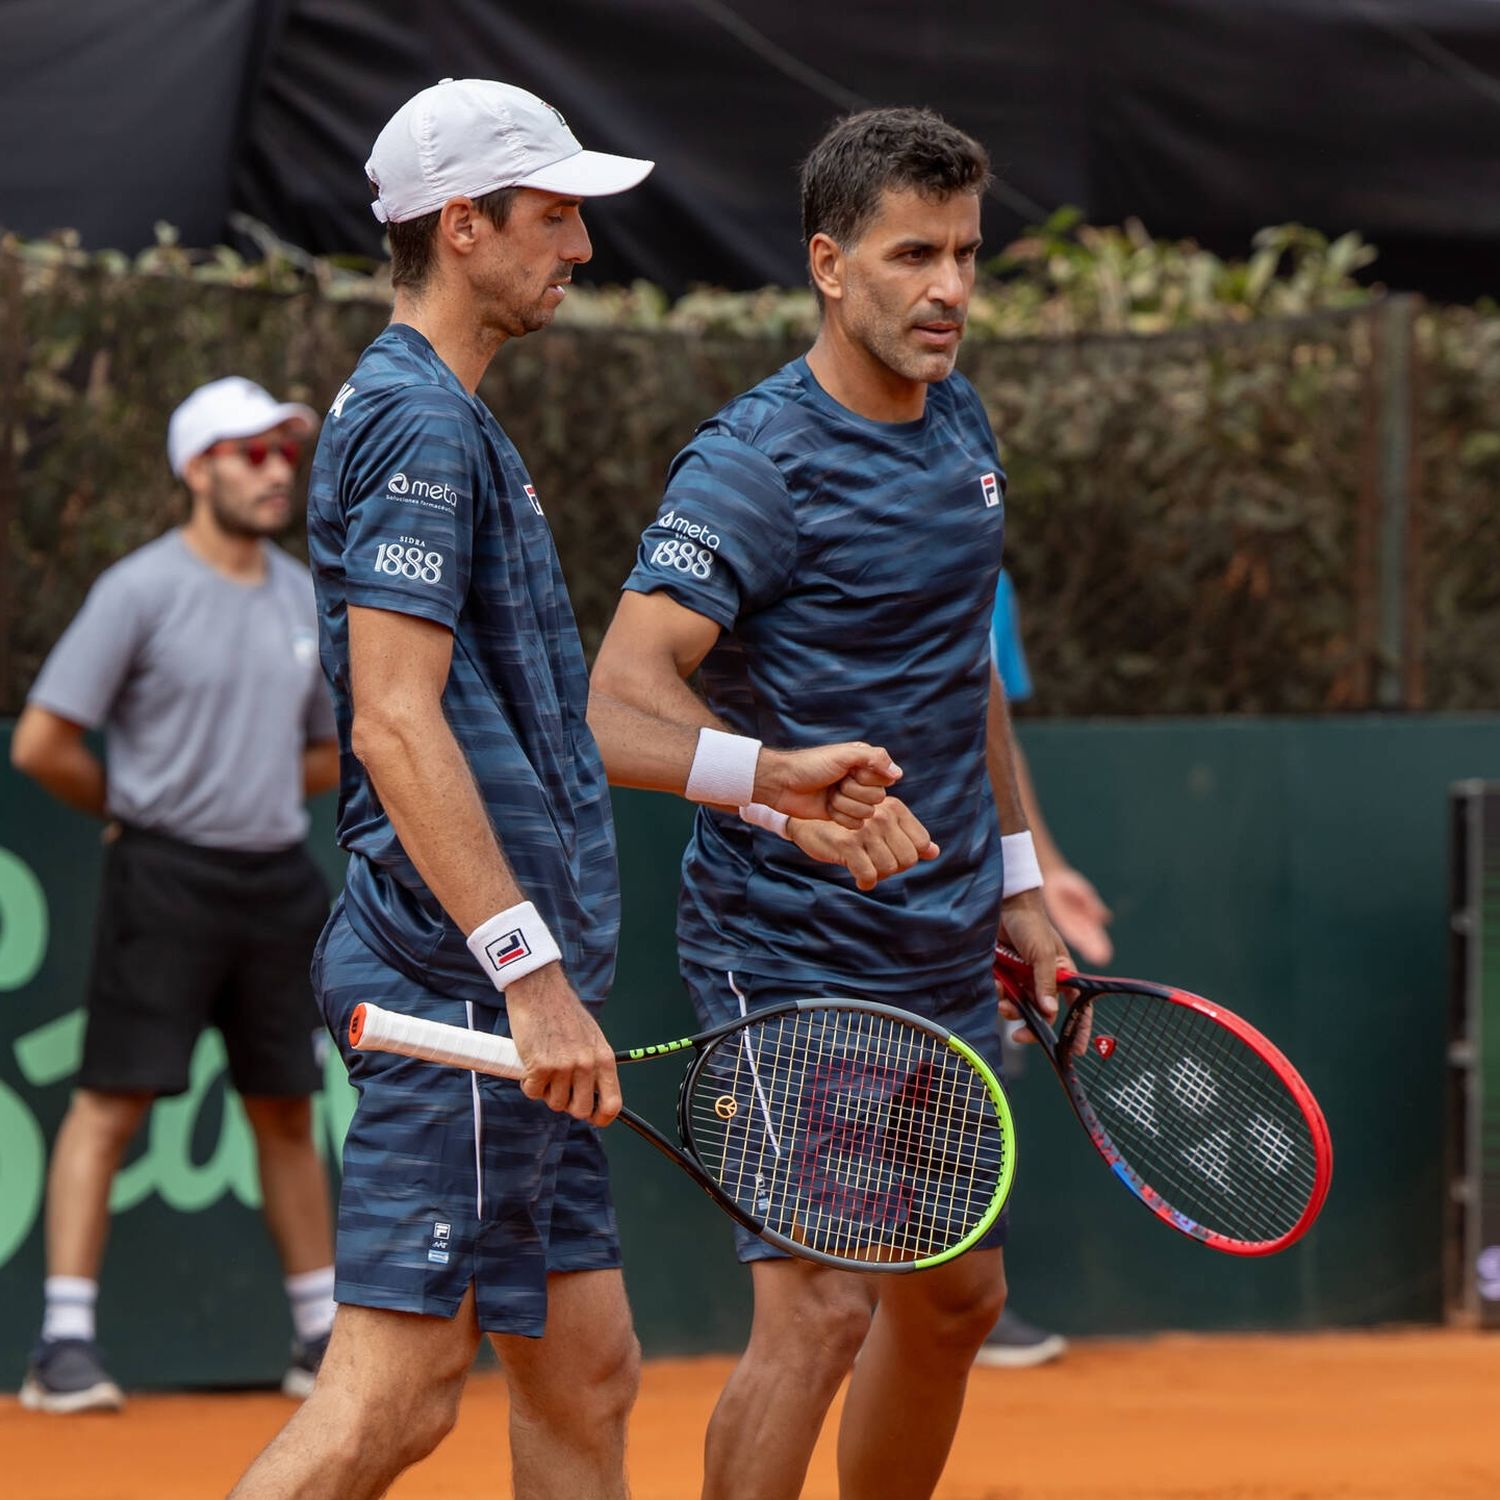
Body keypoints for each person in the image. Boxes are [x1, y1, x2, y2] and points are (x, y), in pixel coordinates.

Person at [228, 79, 905, 1500]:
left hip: (515, 990)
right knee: (395, 1401)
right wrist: (526, 977)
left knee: (584, 1371)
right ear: (461, 226)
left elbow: (544, 730)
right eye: (554, 215)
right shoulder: (416, 425)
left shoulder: (451, 423)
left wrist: (767, 789)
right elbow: (395, 727)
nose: (584, 248)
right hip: (465, 991)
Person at [591, 106, 1069, 1500]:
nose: (949, 290)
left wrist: (1022, 883)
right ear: (828, 262)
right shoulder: (754, 465)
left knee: (957, 1302)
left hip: (938, 942)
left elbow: (963, 667)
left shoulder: (961, 423)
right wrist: (772, 794)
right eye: (914, 254)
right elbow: (617, 699)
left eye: (968, 255)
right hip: (785, 949)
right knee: (818, 1309)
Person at [11, 376, 341, 1412]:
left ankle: (320, 1334)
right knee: (110, 1103)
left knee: (287, 1108)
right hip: (163, 880)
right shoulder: (138, 590)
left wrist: (247, 790)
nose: (274, 469)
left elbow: (333, 748)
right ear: (197, 469)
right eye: (250, 454)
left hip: (277, 883)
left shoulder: (303, 599)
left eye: (284, 453)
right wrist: (131, 805)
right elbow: (42, 742)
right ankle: (63, 1345)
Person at [974, 568, 1114, 1369]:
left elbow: (994, 733)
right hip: (833, 862)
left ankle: (960, 1302)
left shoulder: (984, 565)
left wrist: (1040, 874)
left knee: (980, 1067)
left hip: (965, 868)